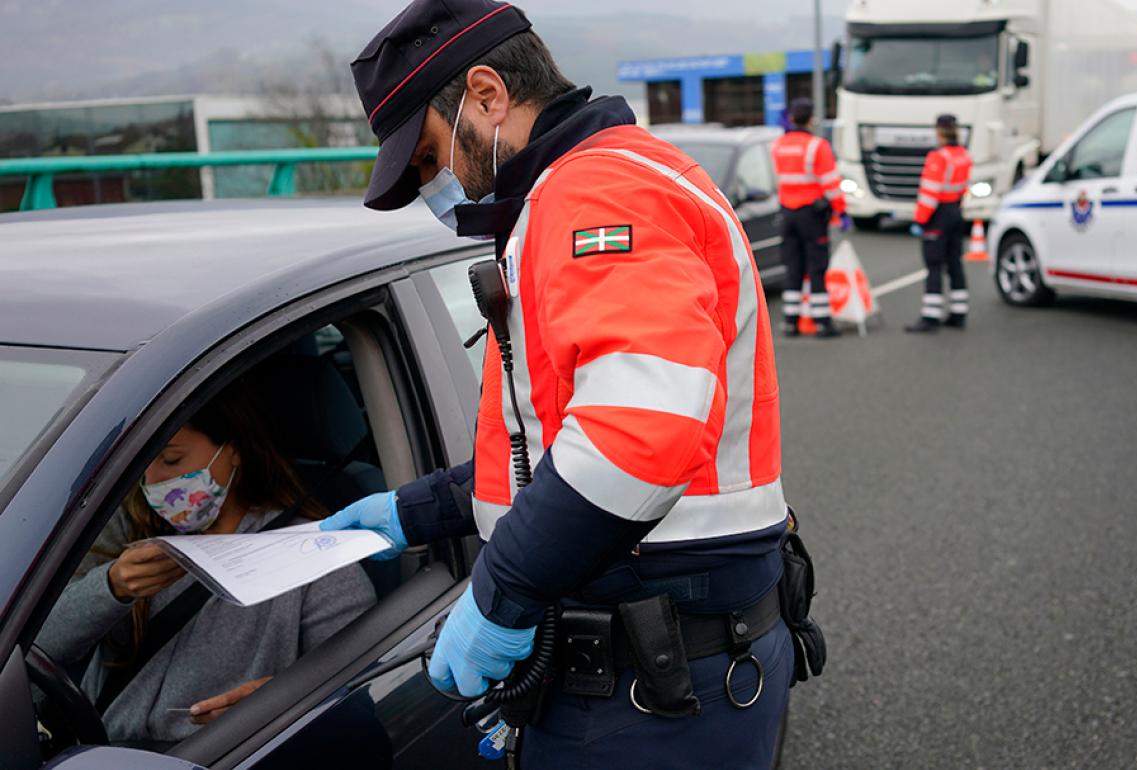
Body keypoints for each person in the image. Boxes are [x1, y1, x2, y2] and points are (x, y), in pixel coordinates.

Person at [325, 1, 824, 766]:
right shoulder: (589, 186)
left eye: (429, 157)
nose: (438, 185)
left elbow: (639, 434)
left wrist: (502, 592)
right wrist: (411, 512)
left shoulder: (596, 195)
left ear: (488, 96)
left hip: (654, 682)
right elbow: (561, 442)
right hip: (672, 664)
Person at [37, 381, 377, 744]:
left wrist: (278, 699)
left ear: (233, 451)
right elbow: (38, 645)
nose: (153, 482)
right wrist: (111, 588)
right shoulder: (124, 528)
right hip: (97, 752)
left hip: (218, 754)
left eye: (171, 460)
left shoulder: (314, 558)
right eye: (142, 466)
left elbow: (357, 688)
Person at [770, 96, 849, 338]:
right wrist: (841, 211)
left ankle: (790, 321)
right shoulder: (818, 146)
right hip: (811, 215)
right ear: (812, 119)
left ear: (792, 118)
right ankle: (822, 321)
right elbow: (831, 184)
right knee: (816, 267)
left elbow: (778, 179)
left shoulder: (778, 145)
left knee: (793, 266)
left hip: (787, 214)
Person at [906, 114, 973, 333]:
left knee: (934, 265)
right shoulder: (963, 155)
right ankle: (958, 313)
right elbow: (964, 187)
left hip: (938, 215)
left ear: (939, 132)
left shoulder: (938, 157)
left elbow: (929, 193)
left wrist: (920, 220)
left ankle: (930, 316)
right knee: (955, 263)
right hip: (955, 210)